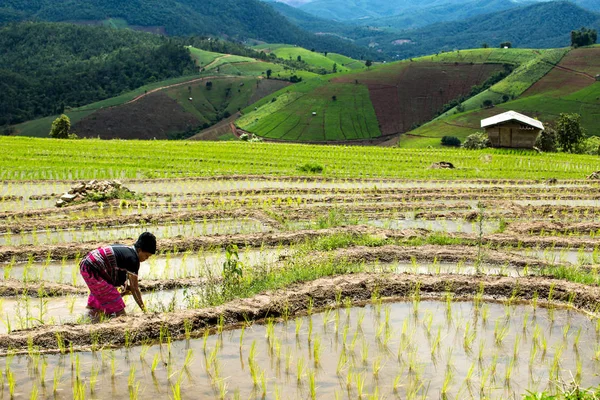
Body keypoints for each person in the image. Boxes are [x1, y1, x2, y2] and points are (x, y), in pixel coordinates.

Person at [79, 232, 156, 319]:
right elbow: (135, 288)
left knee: (98, 305)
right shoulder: (133, 259)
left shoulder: (126, 250)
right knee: (119, 308)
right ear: (139, 250)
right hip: (93, 268)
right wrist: (144, 310)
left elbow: (118, 278)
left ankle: (89, 320)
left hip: (88, 264)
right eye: (146, 255)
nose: (146, 259)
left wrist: (126, 288)